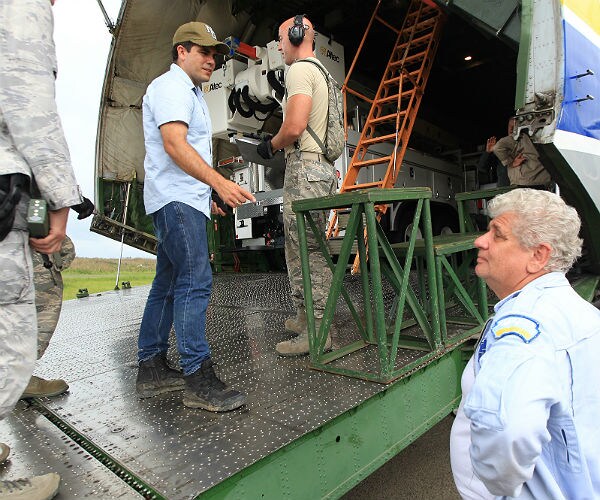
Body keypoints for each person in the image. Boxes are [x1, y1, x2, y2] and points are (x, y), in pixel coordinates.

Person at [450, 188, 600, 499]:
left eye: (498, 234)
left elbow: (507, 432)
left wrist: (497, 488)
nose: (480, 241)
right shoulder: (579, 311)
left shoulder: (523, 329)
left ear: (538, 255)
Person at [136, 21, 255, 413]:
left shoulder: (190, 92)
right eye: (203, 52)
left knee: (168, 283)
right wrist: (218, 183)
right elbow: (174, 145)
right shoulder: (171, 87)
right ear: (181, 52)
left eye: (215, 54)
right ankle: (197, 377)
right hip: (176, 200)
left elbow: (188, 153)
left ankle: (151, 367)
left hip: (182, 198)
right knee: (194, 281)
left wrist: (209, 194)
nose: (212, 60)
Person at [0, 0, 83, 497]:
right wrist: (61, 197)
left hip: (19, 191)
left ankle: (23, 375)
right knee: (19, 309)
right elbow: (30, 109)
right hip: (13, 189)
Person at [256, 15, 337, 356]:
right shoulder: (324, 73)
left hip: (304, 168)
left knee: (307, 251)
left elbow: (294, 126)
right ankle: (306, 317)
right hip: (317, 170)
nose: (277, 46)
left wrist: (270, 146)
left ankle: (319, 331)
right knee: (300, 247)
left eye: (279, 39)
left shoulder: (300, 70)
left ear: (296, 35)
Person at [493, 117, 552, 188]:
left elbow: (497, 147)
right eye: (510, 126)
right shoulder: (541, 137)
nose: (511, 129)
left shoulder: (517, 138)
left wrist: (510, 162)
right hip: (542, 181)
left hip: (522, 182)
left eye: (513, 126)